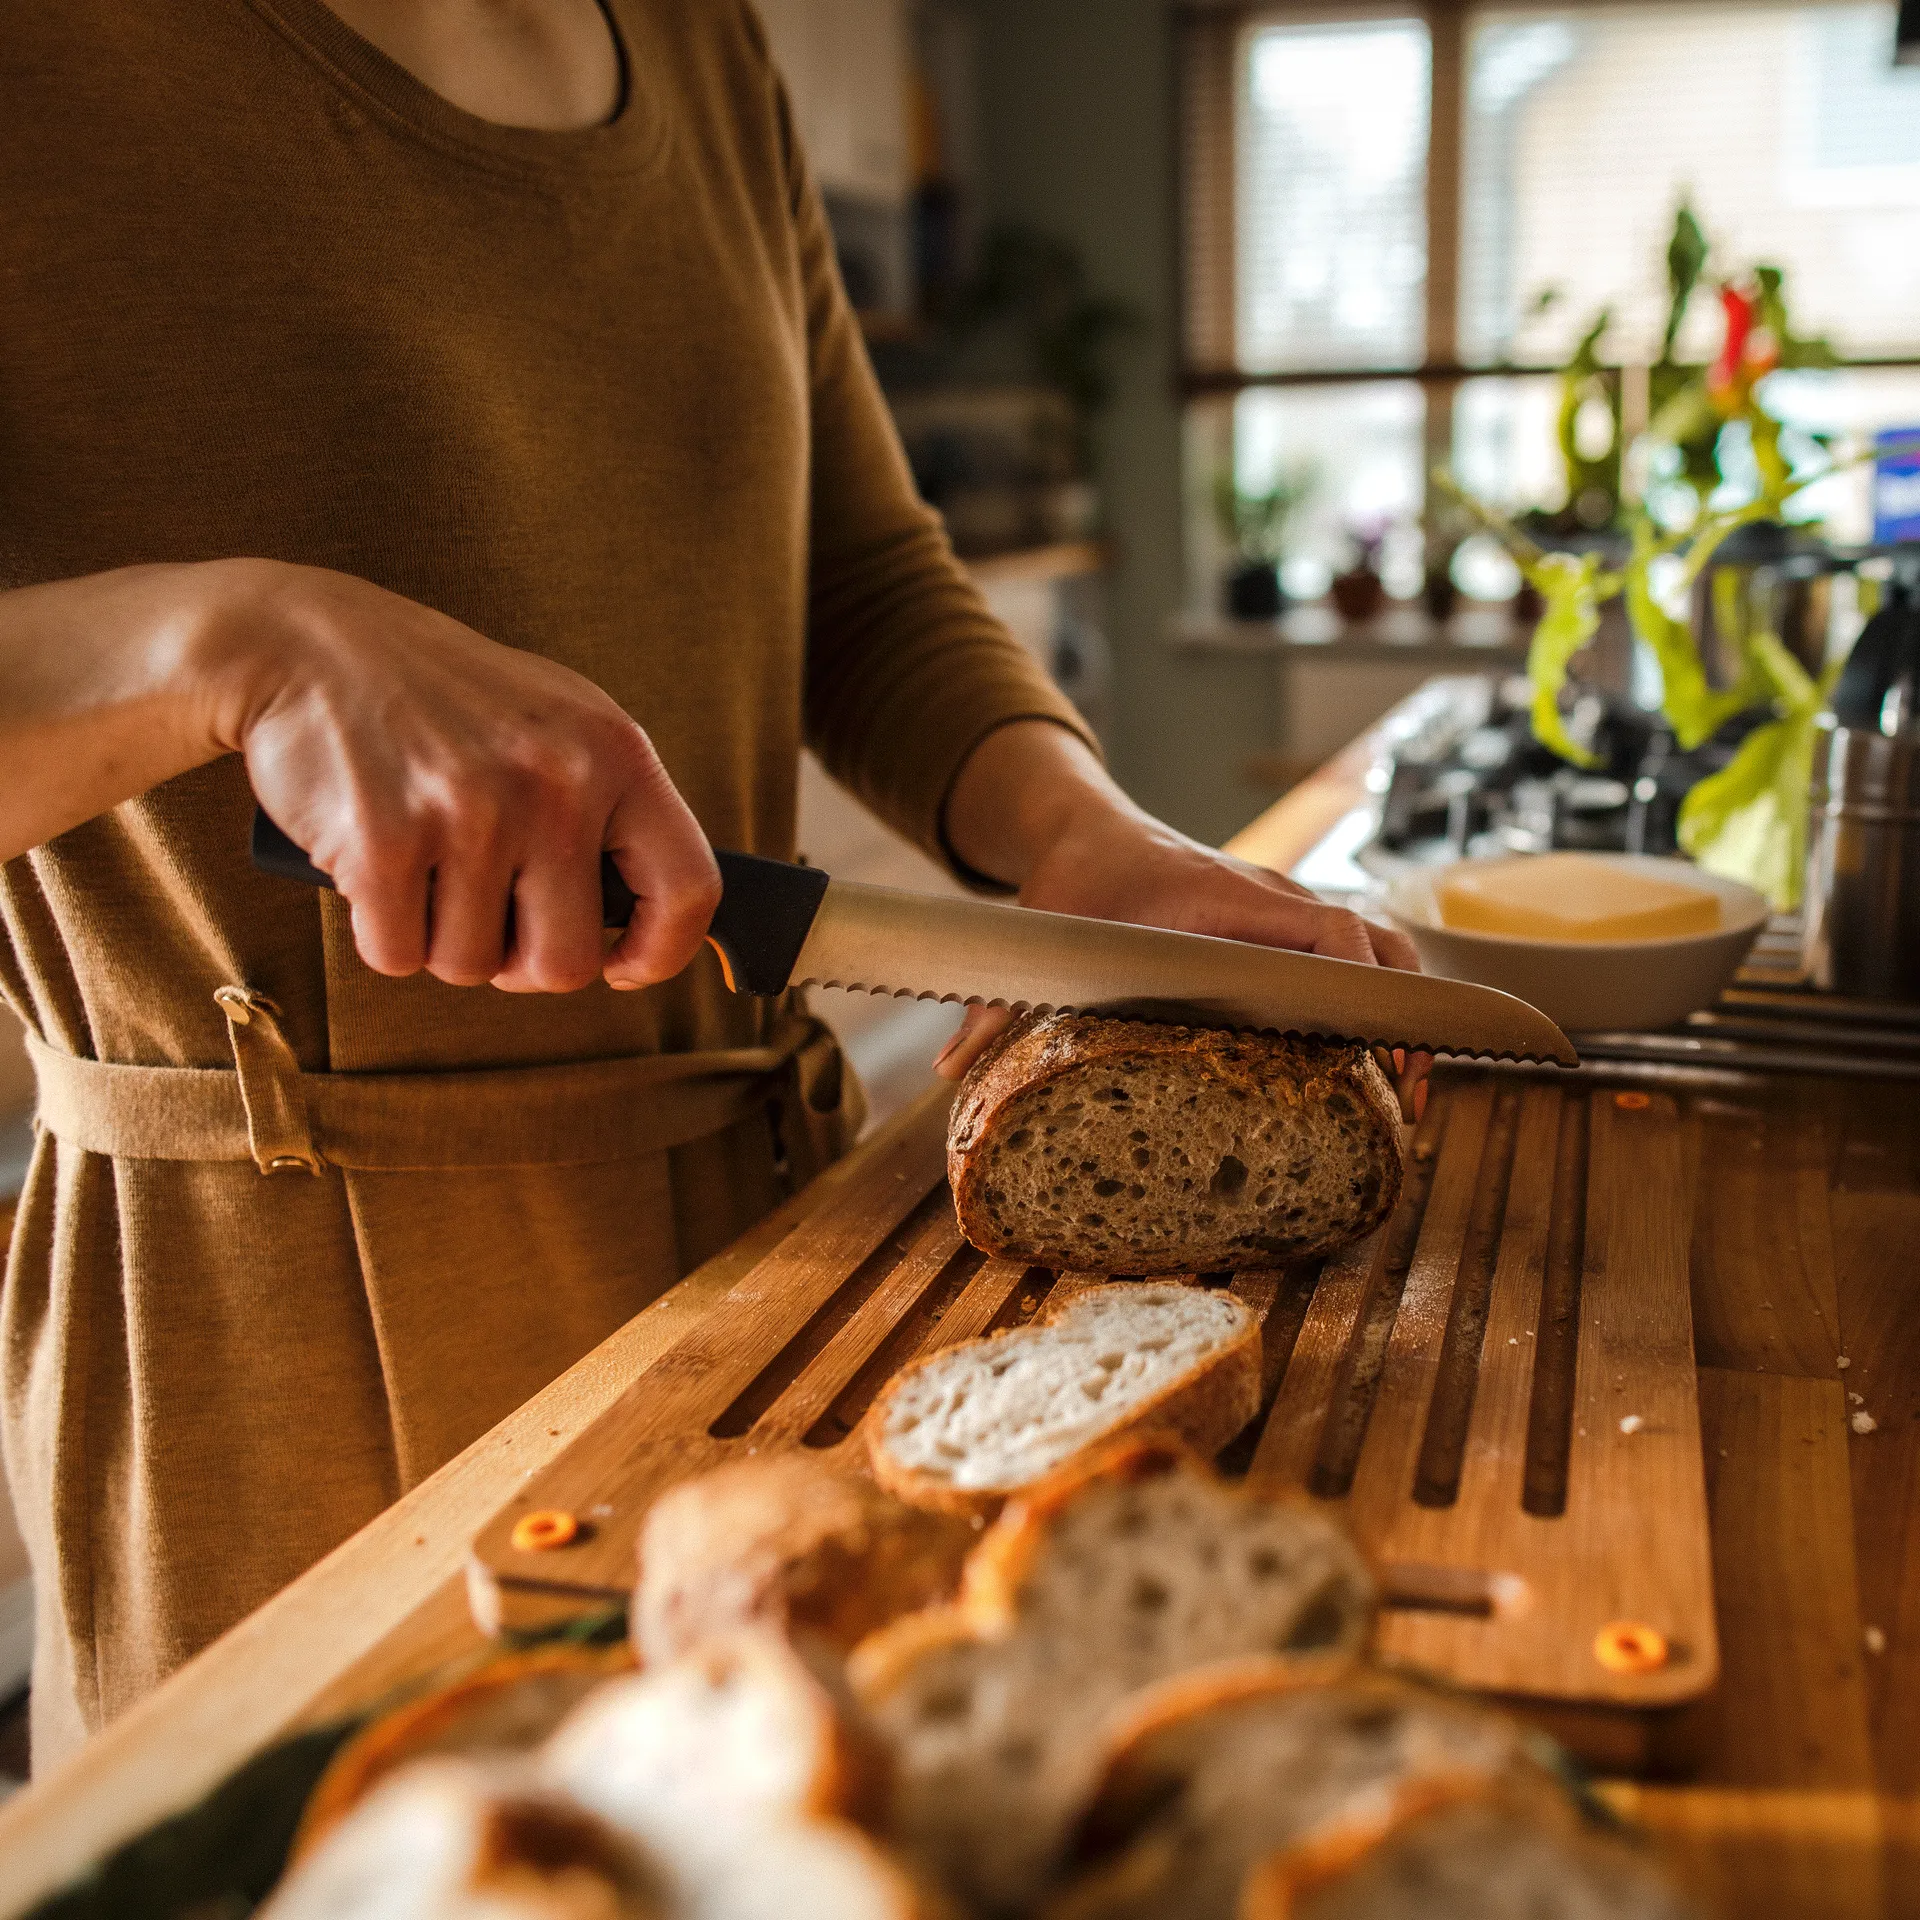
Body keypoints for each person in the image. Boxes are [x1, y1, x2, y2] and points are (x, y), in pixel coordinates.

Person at [0, 0, 1419, 1769]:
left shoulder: (699, 41)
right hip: (278, 1359)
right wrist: (218, 646)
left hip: (773, 1260)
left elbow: (863, 576)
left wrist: (1077, 839)